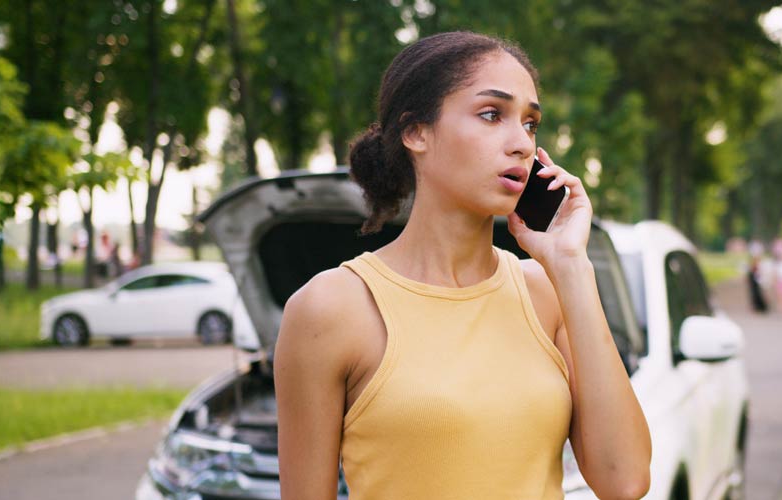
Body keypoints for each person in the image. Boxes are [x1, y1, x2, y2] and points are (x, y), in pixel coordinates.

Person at [273, 32, 650, 500]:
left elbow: (625, 480)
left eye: (531, 124)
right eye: (492, 115)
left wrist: (571, 264)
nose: (521, 144)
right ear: (416, 132)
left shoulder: (545, 293)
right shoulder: (331, 309)